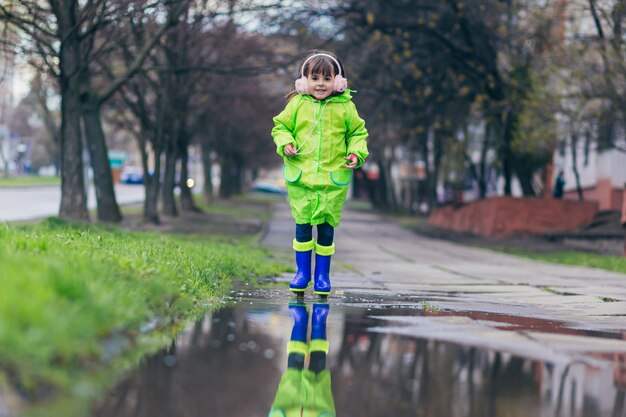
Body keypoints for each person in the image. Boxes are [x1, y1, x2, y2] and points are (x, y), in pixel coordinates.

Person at [271, 50, 369, 296]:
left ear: (338, 81)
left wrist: (356, 153)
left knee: (326, 227)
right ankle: (302, 273)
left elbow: (357, 133)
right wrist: (286, 143)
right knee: (303, 224)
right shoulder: (297, 104)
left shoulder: (346, 107)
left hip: (332, 179)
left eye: (327, 78)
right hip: (301, 177)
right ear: (304, 81)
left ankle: (322, 275)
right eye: (315, 78)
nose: (321, 84)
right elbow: (280, 126)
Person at [268, 302, 335, 417]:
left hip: (290, 399)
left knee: (294, 363)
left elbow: (275, 413)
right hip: (316, 402)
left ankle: (300, 321)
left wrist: (279, 413)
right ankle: (319, 319)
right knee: (318, 362)